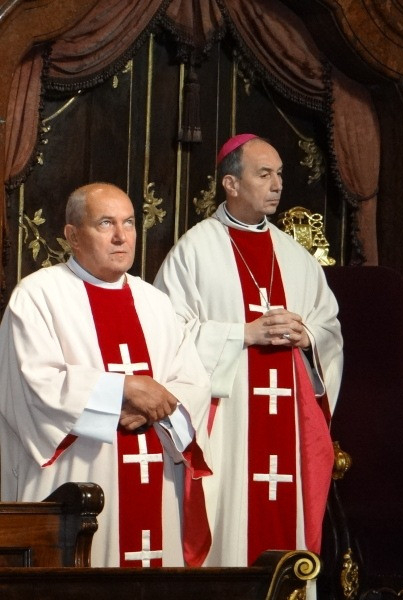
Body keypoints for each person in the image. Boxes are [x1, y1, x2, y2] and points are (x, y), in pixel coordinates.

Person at [154, 134, 343, 567]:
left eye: (280, 174)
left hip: (289, 420)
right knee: (233, 528)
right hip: (229, 424)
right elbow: (169, 334)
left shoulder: (295, 256)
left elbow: (329, 327)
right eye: (264, 174)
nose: (277, 185)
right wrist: (242, 334)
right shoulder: (195, 250)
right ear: (231, 184)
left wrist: (307, 337)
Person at [0, 182, 211, 568]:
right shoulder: (37, 296)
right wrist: (122, 391)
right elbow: (32, 386)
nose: (121, 236)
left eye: (129, 223)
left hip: (155, 479)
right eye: (105, 223)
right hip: (78, 481)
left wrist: (152, 408)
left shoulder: (155, 302)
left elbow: (194, 383)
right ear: (72, 235)